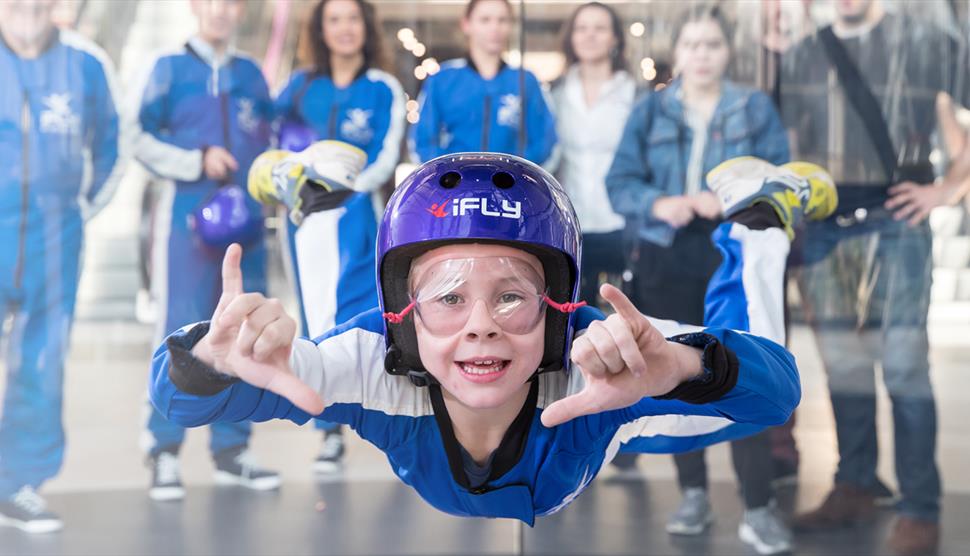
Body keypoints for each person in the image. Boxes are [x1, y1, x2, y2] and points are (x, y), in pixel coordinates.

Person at [147, 152, 836, 525]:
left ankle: (758, 219)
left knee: (734, 354)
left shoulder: (604, 365)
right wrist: (208, 360)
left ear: (562, 309)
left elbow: (774, 394)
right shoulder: (376, 361)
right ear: (407, 316)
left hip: (593, 428)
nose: (481, 323)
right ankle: (320, 203)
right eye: (448, 298)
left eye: (512, 296)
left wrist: (686, 365)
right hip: (385, 356)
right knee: (323, 348)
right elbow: (179, 401)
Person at [780, 1, 970, 553]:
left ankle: (920, 509)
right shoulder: (802, 55)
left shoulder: (921, 46)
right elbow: (793, 149)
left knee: (906, 370)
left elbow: (958, 133)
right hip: (826, 231)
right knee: (844, 369)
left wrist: (944, 190)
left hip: (896, 225)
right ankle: (855, 486)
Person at [605, 6, 793, 553]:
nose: (702, 55)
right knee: (678, 373)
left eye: (712, 44)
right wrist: (660, 202)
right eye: (692, 45)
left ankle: (758, 506)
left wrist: (730, 200)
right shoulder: (651, 111)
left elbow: (777, 179)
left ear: (727, 52)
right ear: (678, 52)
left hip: (731, 253)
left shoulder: (753, 107)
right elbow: (619, 181)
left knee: (743, 368)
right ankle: (693, 494)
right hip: (667, 252)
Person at [130, 0, 279, 502]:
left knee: (243, 332)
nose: (220, 10)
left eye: (231, 3)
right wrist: (194, 159)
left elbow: (270, 141)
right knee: (179, 326)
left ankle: (232, 450)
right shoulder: (167, 70)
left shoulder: (253, 76)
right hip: (185, 224)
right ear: (195, 6)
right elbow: (137, 136)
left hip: (246, 227)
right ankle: (163, 449)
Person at [0, 0, 124, 533]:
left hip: (55, 236)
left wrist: (80, 208)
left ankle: (16, 483)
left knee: (41, 359)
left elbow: (112, 147)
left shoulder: (87, 64)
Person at [271, 0, 405, 475]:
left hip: (360, 217)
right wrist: (293, 185)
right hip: (305, 222)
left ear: (365, 27)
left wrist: (345, 185)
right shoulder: (299, 86)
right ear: (321, 29)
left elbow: (386, 155)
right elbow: (275, 148)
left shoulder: (382, 87)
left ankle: (390, 426)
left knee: (369, 319)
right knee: (316, 317)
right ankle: (327, 430)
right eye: (335, 19)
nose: (345, 28)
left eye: (353, 19)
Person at [549, 1, 639, 476]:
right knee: (574, 331)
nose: (590, 36)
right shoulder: (554, 92)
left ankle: (629, 434)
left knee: (625, 327)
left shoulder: (634, 93)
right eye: (581, 28)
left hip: (622, 222)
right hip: (571, 223)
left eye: (599, 28)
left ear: (615, 39)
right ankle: (576, 429)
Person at [408, 0, 557, 167]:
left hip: (511, 187)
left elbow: (546, 141)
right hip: (455, 187)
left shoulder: (525, 80)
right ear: (466, 24)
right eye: (485, 20)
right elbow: (422, 142)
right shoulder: (443, 79)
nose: (495, 28)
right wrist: (452, 174)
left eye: (502, 20)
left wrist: (515, 170)